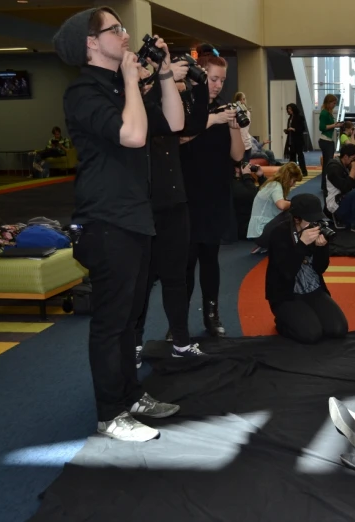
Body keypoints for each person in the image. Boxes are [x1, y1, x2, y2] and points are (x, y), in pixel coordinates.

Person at [54, 7, 184, 441]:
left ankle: (130, 394)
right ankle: (110, 414)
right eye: (116, 29)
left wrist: (163, 75)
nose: (126, 36)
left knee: (130, 319)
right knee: (111, 323)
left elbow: (176, 122)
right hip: (105, 219)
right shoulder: (83, 93)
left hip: (136, 216)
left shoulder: (119, 86)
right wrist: (132, 81)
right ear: (92, 43)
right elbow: (132, 135)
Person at [134, 52, 210, 365]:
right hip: (143, 204)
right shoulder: (132, 101)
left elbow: (194, 123)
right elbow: (146, 123)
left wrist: (200, 84)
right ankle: (134, 343)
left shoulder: (167, 100)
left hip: (174, 201)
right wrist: (161, 79)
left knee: (176, 277)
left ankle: (180, 340)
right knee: (141, 279)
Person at [179, 46, 245, 337]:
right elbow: (177, 137)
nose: (218, 85)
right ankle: (177, 322)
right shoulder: (183, 104)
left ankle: (212, 315)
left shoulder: (223, 110)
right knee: (184, 264)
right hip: (186, 196)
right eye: (214, 78)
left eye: (222, 80)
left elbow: (237, 156)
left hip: (216, 195)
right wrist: (213, 120)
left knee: (210, 261)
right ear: (199, 76)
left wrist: (231, 125)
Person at [265, 193, 348, 344]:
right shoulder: (279, 233)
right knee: (311, 334)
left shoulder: (317, 229)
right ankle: (282, 321)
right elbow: (286, 272)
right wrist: (302, 245)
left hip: (312, 288)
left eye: (317, 219)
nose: (314, 223)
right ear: (296, 218)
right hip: (286, 293)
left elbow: (320, 269)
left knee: (338, 329)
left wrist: (321, 248)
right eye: (310, 219)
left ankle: (302, 316)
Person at [247, 162, 302, 252]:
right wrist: (296, 202)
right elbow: (281, 205)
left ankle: (270, 244)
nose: (294, 184)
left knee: (290, 209)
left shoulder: (272, 184)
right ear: (288, 177)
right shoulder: (275, 186)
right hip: (261, 233)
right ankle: (296, 241)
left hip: (259, 233)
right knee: (292, 212)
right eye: (294, 180)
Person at [232, 162, 264, 242]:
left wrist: (261, 177)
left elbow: (265, 194)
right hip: (242, 228)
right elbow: (254, 197)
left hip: (248, 224)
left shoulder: (244, 182)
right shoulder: (233, 184)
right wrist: (247, 176)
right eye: (244, 166)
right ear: (237, 169)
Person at [319, 94, 343, 194]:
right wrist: (335, 125)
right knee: (327, 165)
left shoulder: (328, 112)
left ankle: (324, 185)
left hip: (328, 141)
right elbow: (322, 127)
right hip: (325, 141)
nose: (334, 105)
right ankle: (325, 186)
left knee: (327, 164)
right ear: (328, 102)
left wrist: (336, 124)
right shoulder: (324, 113)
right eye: (333, 103)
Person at [283, 103, 308, 177]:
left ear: (294, 109)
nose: (289, 110)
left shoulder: (299, 117)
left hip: (298, 140)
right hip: (291, 139)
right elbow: (290, 128)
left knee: (300, 156)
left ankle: (303, 171)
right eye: (288, 109)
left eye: (290, 109)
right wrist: (287, 131)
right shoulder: (290, 118)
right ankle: (292, 172)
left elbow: (302, 129)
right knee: (292, 156)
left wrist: (294, 129)